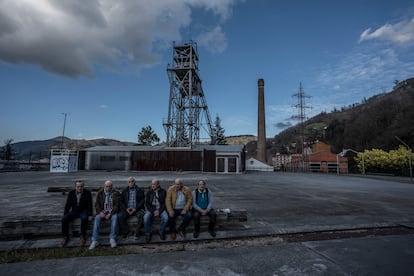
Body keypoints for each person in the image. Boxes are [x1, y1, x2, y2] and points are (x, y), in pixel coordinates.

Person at [89, 180, 120, 250]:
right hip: (102, 212)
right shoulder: (100, 193)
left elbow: (117, 205)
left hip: (111, 212)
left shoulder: (116, 193)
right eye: (107, 186)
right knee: (97, 218)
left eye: (109, 186)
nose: (108, 188)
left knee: (115, 218)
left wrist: (110, 213)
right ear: (104, 186)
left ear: (112, 187)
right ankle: (95, 240)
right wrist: (100, 212)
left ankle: (112, 239)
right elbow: (96, 205)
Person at [61, 180, 93, 247]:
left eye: (81, 186)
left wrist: (90, 214)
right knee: (64, 219)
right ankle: (65, 237)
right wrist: (65, 213)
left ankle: (82, 236)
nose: (79, 188)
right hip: (74, 211)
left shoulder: (87, 193)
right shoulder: (71, 193)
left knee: (84, 218)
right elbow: (68, 204)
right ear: (75, 187)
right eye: (78, 187)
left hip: (83, 210)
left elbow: (90, 204)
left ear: (83, 186)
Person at [143, 178, 168, 243]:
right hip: (152, 210)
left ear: (158, 185)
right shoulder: (149, 192)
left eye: (154, 184)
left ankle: (161, 231)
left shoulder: (163, 191)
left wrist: (159, 211)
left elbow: (165, 203)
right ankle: (148, 233)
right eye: (152, 184)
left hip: (161, 209)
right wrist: (153, 211)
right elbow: (147, 203)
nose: (152, 185)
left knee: (166, 218)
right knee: (146, 218)